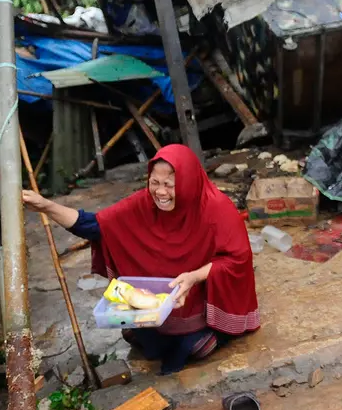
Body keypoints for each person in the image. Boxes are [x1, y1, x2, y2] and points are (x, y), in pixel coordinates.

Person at [23, 144, 260, 374]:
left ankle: (211, 334)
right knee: (136, 334)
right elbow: (95, 225)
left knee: (193, 348)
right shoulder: (144, 203)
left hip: (199, 302)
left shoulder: (216, 208)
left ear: (188, 182)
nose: (160, 192)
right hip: (161, 302)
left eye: (169, 185)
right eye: (154, 182)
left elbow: (237, 260)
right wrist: (46, 206)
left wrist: (194, 277)